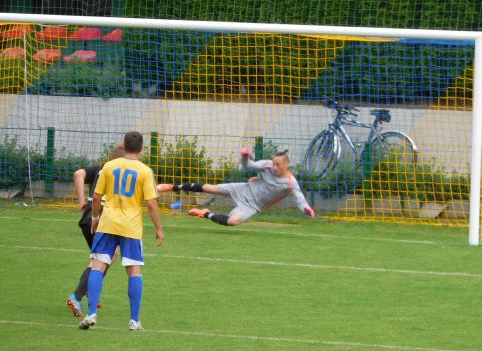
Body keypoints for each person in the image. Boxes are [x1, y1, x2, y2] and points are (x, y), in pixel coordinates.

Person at [79, 130, 164, 331]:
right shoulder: (145, 171)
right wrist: (159, 228)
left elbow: (97, 197)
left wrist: (95, 218)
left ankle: (91, 314)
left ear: (124, 147)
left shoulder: (109, 166)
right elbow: (151, 204)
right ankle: (134, 321)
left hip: (108, 224)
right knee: (134, 271)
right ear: (142, 149)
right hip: (131, 227)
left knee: (97, 266)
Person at [157, 148, 315, 225]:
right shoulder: (266, 165)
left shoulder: (290, 183)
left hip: (252, 205)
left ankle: (204, 213)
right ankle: (171, 187)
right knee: (209, 188)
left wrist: (307, 209)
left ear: (287, 164)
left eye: (278, 165)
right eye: (274, 163)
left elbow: (300, 200)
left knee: (232, 221)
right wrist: (245, 157)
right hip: (243, 189)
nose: (274, 167)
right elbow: (248, 166)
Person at [66, 142, 126, 317]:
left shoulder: (100, 169)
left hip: (88, 218)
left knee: (105, 256)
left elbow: (78, 174)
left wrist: (82, 200)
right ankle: (77, 296)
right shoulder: (119, 174)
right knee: (102, 259)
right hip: (100, 221)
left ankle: (91, 291)